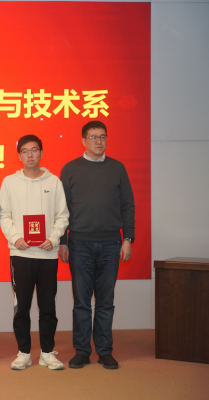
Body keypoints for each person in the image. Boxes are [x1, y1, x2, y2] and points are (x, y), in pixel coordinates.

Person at [58, 121, 135, 370]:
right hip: (79, 243)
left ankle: (104, 351)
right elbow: (61, 209)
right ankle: (82, 351)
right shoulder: (70, 169)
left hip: (111, 243)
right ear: (83, 141)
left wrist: (127, 238)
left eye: (102, 136)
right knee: (81, 302)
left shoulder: (117, 168)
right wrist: (62, 241)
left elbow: (128, 205)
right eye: (93, 137)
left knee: (105, 301)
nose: (98, 141)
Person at [0, 135, 69, 371]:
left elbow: (62, 215)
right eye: (25, 151)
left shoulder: (54, 182)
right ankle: (24, 352)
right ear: (19, 155)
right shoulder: (9, 182)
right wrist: (15, 238)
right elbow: (4, 215)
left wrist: (54, 238)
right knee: (22, 306)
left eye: (34, 150)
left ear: (41, 153)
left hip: (47, 254)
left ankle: (47, 352)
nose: (30, 155)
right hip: (21, 255)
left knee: (48, 306)